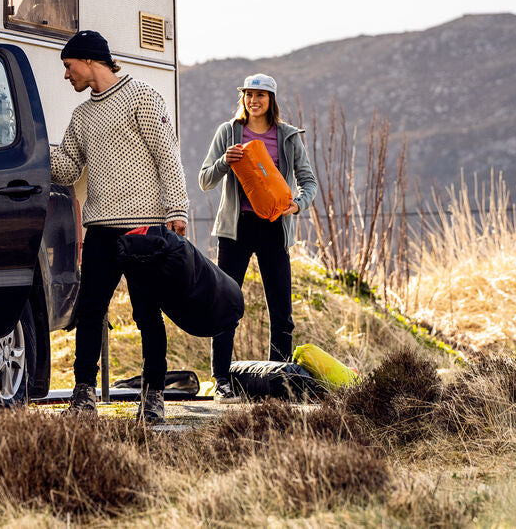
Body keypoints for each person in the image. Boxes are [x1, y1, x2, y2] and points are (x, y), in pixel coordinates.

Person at [51, 30, 189, 423]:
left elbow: (167, 155)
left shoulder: (142, 97)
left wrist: (177, 208)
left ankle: (153, 396)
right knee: (89, 311)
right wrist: (34, 145)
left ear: (89, 59)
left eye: (69, 66)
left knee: (147, 313)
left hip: (144, 229)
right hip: (100, 229)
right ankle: (83, 397)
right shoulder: (82, 116)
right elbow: (66, 170)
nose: (66, 75)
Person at [199, 73, 317, 403]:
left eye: (261, 95)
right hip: (235, 229)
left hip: (274, 228)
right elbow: (205, 179)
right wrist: (225, 161)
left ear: (271, 100)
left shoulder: (288, 136)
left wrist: (298, 204)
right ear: (244, 98)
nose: (254, 100)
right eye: (249, 94)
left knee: (281, 312)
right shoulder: (228, 132)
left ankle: (279, 383)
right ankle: (222, 381)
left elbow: (309, 181)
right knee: (225, 305)